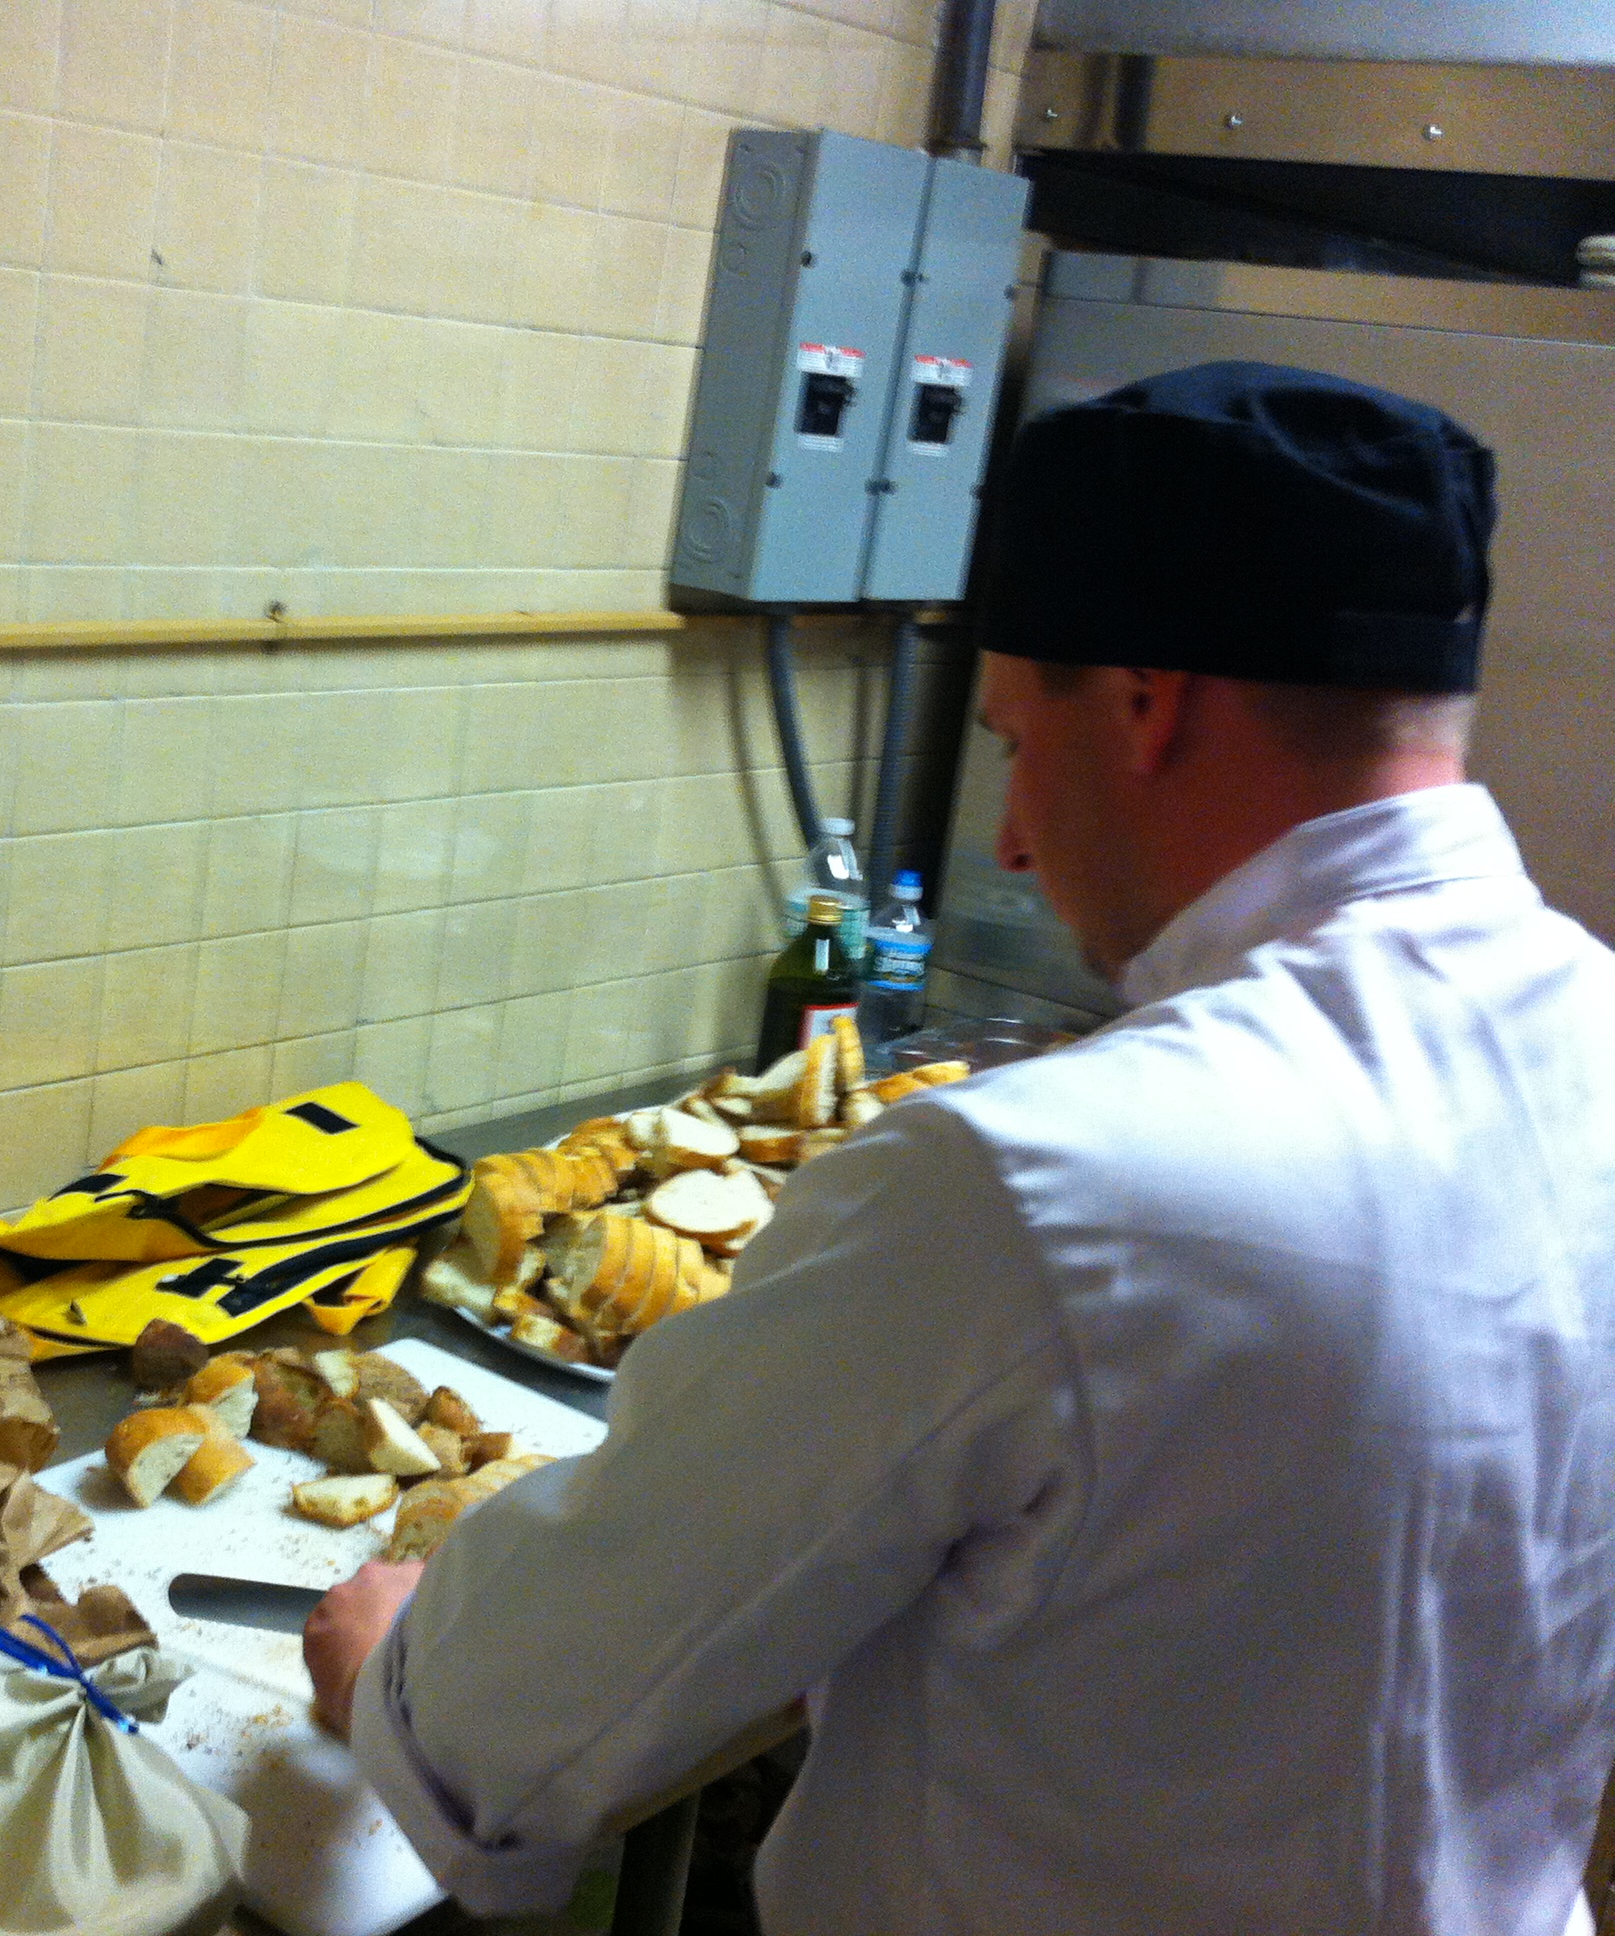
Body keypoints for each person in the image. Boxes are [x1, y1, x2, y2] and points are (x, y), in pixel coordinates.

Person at [304, 362, 1615, 1934]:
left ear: (1148, 703)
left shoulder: (1043, 1182)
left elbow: (525, 1720)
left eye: (1010, 742)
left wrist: (396, 1665)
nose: (1006, 835)